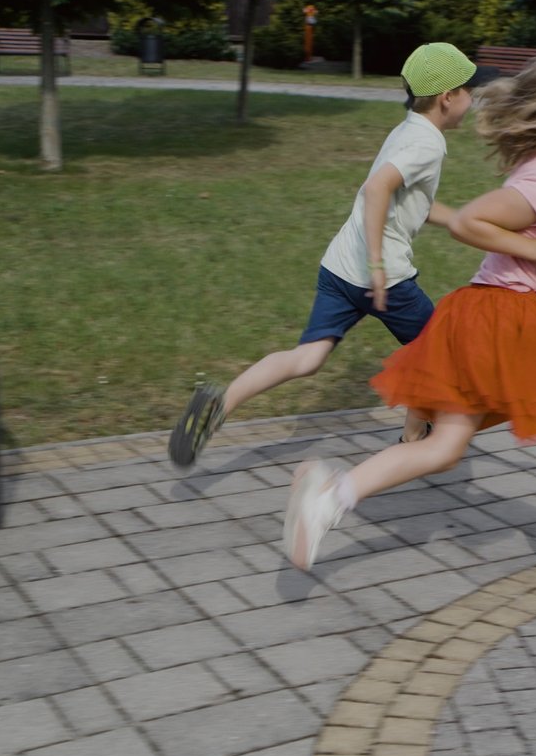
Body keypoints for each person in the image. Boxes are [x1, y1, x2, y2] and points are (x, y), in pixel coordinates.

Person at [281, 52, 536, 582]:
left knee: (445, 446)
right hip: (507, 315)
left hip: (476, 315)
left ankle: (331, 495)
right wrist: (534, 249)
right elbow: (468, 222)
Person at [168, 43, 498, 467]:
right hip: (384, 279)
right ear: (447, 97)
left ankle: (220, 402)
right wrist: (377, 265)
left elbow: (409, 201)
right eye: (469, 91)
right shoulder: (427, 145)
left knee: (307, 357)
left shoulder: (407, 130)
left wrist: (468, 224)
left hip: (340, 267)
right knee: (438, 352)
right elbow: (376, 189)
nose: (472, 99)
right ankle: (413, 438)